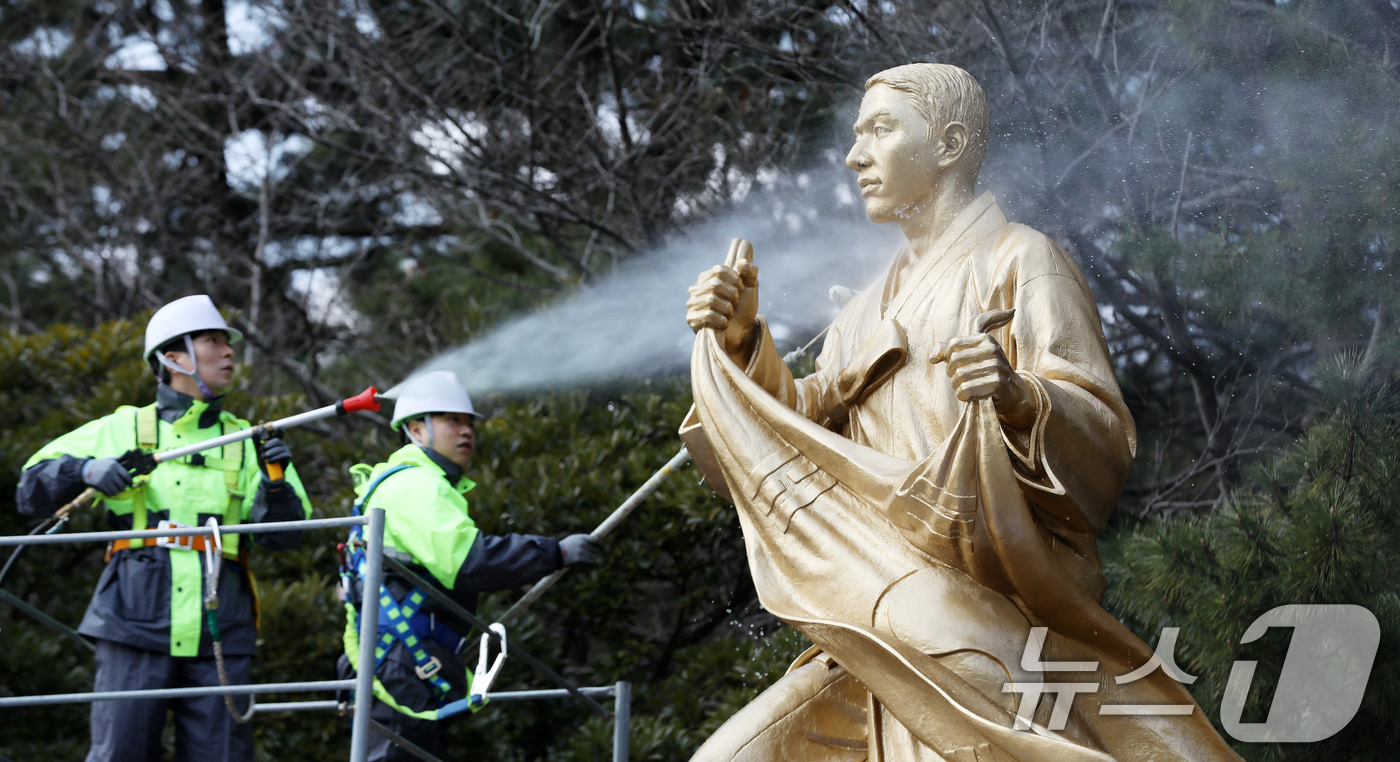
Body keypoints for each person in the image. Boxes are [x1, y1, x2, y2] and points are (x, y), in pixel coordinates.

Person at [682, 64, 1240, 760]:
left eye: (881, 130)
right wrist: (738, 349)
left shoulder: (1021, 260)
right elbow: (800, 434)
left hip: (983, 602)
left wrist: (1020, 396)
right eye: (857, 135)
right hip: (873, 606)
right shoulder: (861, 313)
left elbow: (1102, 440)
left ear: (948, 144)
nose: (856, 156)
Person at [16, 294, 313, 762]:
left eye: (226, 343)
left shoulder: (252, 441)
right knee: (121, 755)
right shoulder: (121, 429)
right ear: (174, 357)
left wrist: (277, 488)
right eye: (213, 341)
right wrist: (86, 471)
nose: (229, 351)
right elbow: (30, 489)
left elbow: (285, 539)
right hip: (132, 618)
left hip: (221, 626)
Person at [337, 370, 602, 762]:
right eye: (451, 420)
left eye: (469, 422)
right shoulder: (416, 485)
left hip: (399, 659)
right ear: (416, 429)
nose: (466, 431)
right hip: (400, 661)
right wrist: (555, 553)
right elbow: (468, 560)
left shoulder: (407, 484)